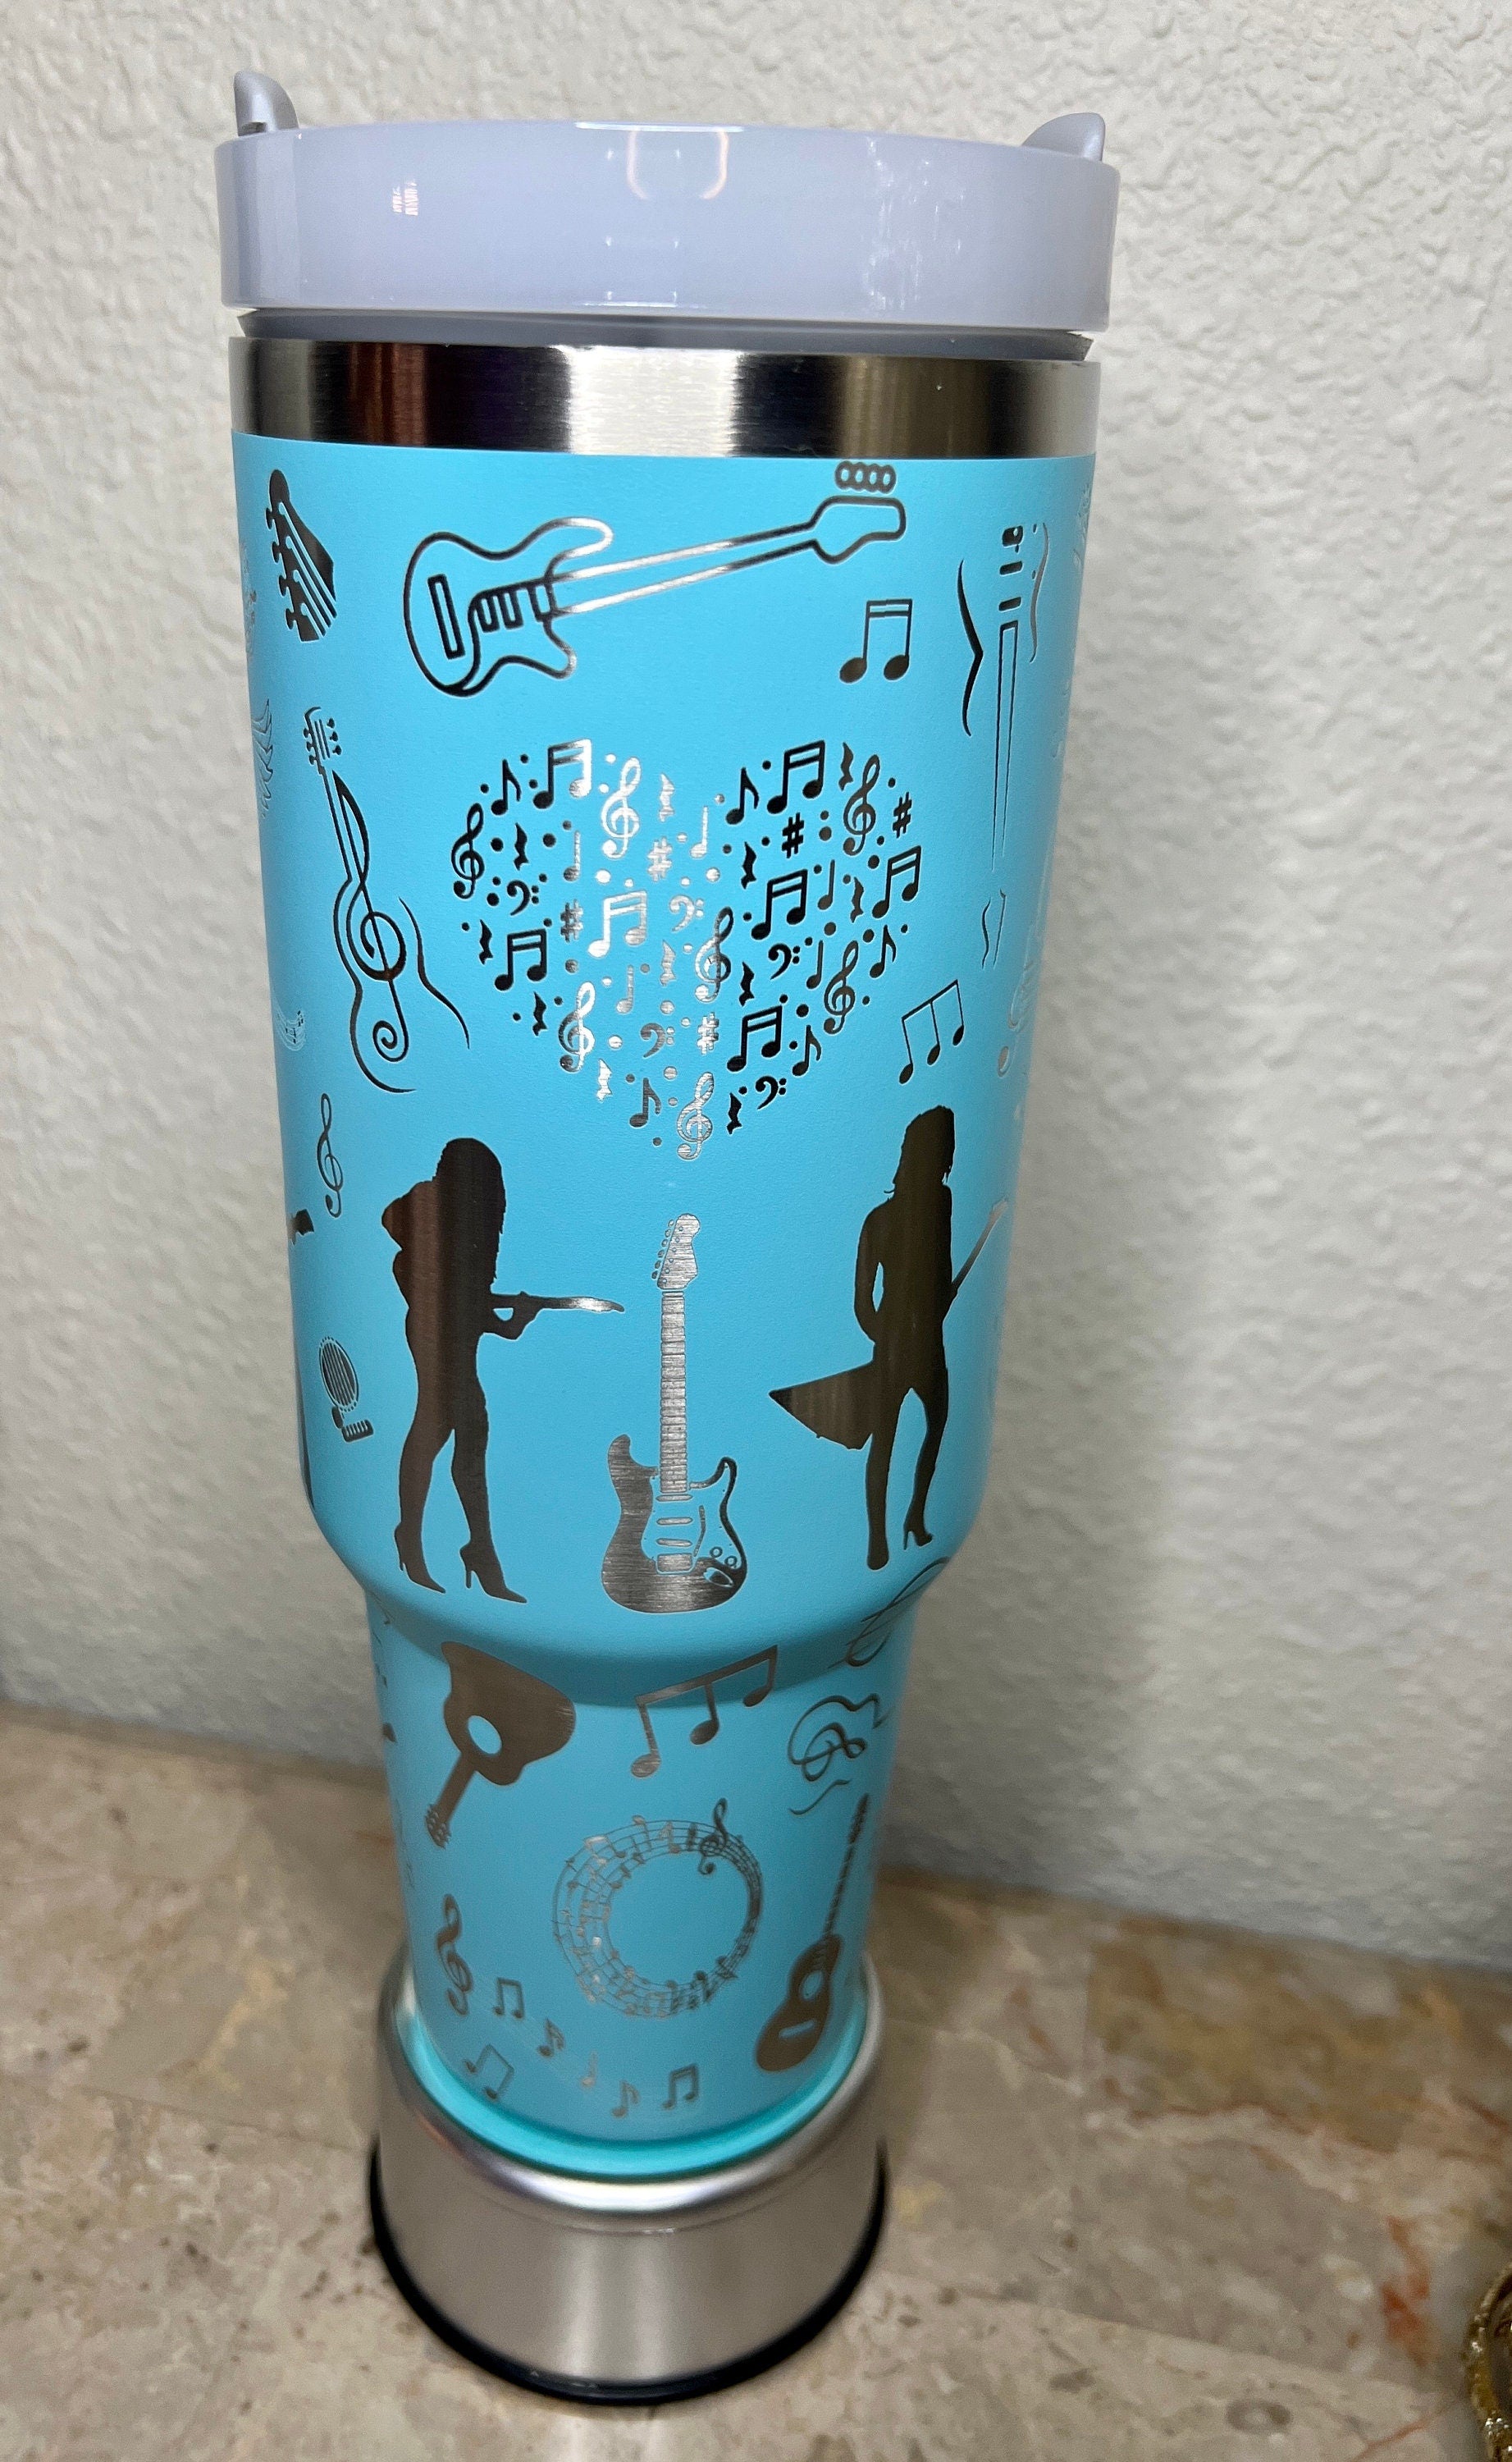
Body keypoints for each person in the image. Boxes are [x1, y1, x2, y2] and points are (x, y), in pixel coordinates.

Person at [774, 1108, 1000, 1572]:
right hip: (896, 1345)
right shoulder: (877, 1221)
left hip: (930, 1343)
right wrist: (889, 1339)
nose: (943, 1165)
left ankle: (915, 1515)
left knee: (936, 1428)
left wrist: (934, 1310)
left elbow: (936, 1269)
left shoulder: (942, 1203)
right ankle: (876, 1539)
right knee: (885, 1442)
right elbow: (863, 1301)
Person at [382, 1137, 527, 1601]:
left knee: (464, 1433)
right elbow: (394, 1221)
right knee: (436, 1426)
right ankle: (438, 1543)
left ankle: (474, 1548)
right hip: (432, 1335)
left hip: (457, 1338)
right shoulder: (426, 1214)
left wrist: (519, 1316)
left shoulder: (471, 1239)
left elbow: (489, 1323)